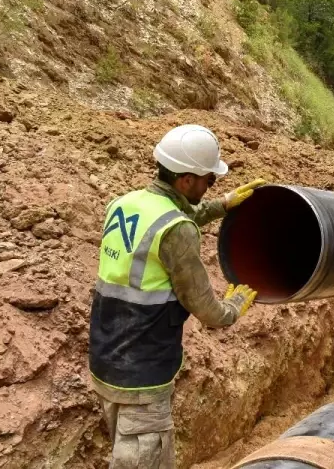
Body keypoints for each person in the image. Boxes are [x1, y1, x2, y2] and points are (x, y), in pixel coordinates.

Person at [89, 124, 266, 469]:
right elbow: (207, 310)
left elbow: (175, 216)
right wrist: (232, 307)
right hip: (143, 374)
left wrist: (223, 205)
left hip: (106, 360)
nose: (210, 185)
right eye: (209, 180)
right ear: (186, 180)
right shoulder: (177, 230)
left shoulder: (124, 204)